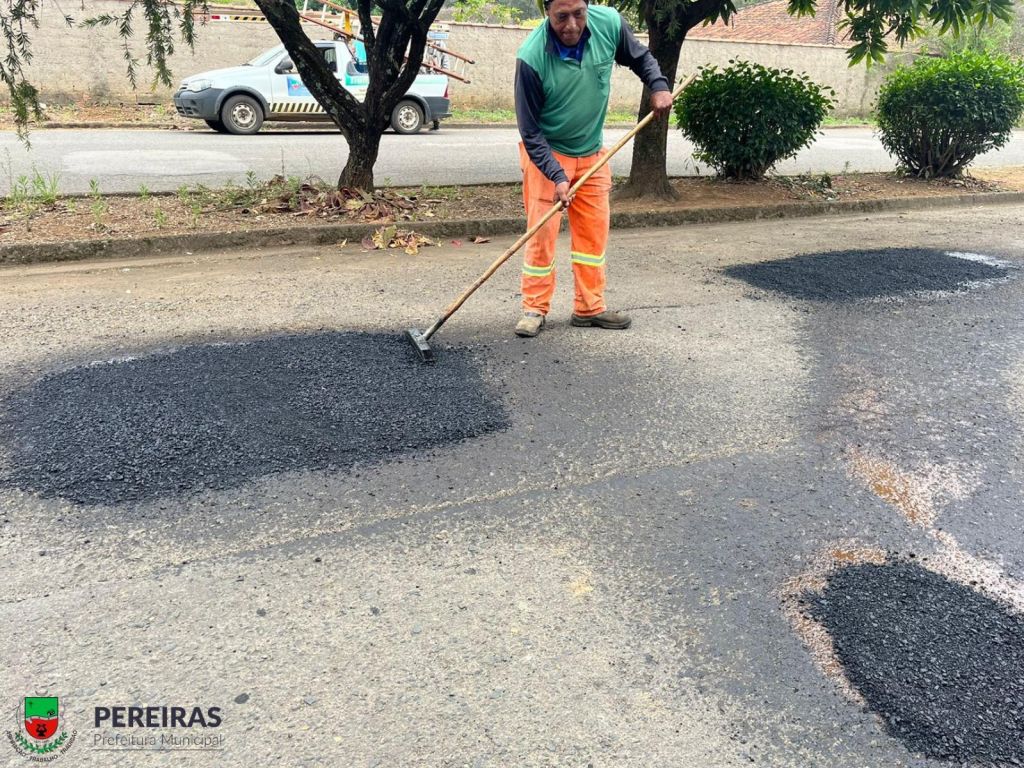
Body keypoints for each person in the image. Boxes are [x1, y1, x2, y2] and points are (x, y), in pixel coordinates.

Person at [513, 0, 673, 338]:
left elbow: (640, 57)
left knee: (593, 236)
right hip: (547, 155)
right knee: (541, 235)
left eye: (578, 14)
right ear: (546, 12)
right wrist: (557, 175)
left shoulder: (609, 24)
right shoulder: (531, 57)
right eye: (561, 17)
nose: (571, 25)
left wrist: (658, 85)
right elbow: (530, 131)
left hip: (592, 153)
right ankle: (534, 308)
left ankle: (589, 308)